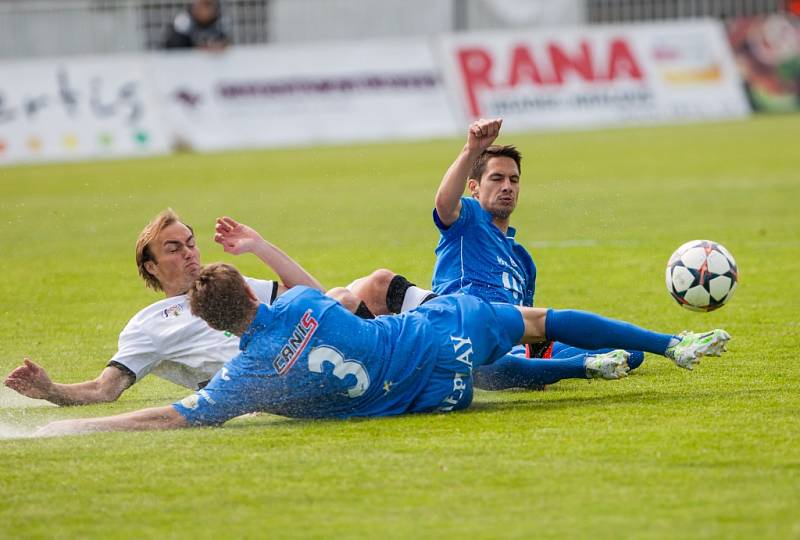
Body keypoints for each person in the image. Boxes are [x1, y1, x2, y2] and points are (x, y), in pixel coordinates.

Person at [35, 263, 730, 436]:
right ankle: (668, 344)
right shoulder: (302, 303)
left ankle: (584, 367)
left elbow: (173, 417)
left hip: (436, 399)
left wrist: (80, 426)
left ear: (220, 327)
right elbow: (327, 294)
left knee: (493, 369)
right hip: (438, 336)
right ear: (252, 296)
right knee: (538, 318)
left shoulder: (245, 378)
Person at [350, 118, 648, 390]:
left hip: (509, 335)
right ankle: (564, 368)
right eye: (497, 179)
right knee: (482, 364)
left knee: (632, 354)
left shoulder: (523, 260)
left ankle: (538, 367)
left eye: (513, 180)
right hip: (460, 326)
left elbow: (532, 320)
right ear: (474, 188)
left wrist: (537, 348)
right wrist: (471, 150)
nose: (507, 187)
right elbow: (444, 202)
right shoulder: (466, 220)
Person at [3, 210, 322, 406]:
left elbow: (314, 296)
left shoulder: (224, 282)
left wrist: (258, 247)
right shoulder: (149, 324)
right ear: (151, 267)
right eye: (174, 248)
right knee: (350, 298)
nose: (189, 253)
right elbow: (105, 389)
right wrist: (50, 389)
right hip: (262, 383)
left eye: (191, 243)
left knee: (369, 285)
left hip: (306, 351)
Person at [163, 0, 229, 51]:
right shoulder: (184, 21)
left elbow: (225, 41)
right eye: (204, 5)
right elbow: (175, 47)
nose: (205, 10)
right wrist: (199, 48)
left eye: (209, 5)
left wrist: (219, 45)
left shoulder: (219, 22)